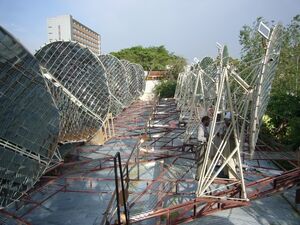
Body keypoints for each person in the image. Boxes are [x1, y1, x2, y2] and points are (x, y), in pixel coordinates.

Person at [195, 116, 210, 180]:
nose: (209, 123)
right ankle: (198, 176)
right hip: (201, 146)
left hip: (204, 145)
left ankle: (205, 174)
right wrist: (207, 139)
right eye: (208, 121)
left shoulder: (204, 127)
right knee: (201, 161)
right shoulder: (201, 127)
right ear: (205, 121)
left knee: (206, 160)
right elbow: (199, 138)